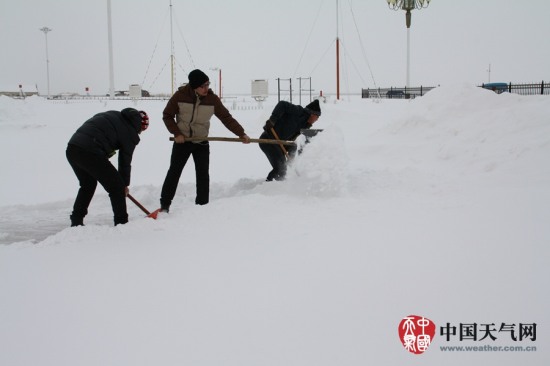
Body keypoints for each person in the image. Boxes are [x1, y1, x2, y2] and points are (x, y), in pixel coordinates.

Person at [159, 69, 250, 212]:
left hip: (201, 141)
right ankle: (164, 205)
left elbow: (226, 118)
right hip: (183, 141)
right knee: (174, 172)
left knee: (203, 174)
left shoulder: (212, 100)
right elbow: (167, 115)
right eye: (203, 86)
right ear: (194, 86)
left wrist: (241, 133)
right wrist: (177, 133)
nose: (206, 88)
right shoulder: (180, 96)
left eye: (208, 84)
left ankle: (202, 207)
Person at [66, 108, 149, 226]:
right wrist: (124, 184)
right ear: (140, 126)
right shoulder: (130, 132)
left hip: (73, 148)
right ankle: (122, 223)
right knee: (117, 188)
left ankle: (76, 220)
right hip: (90, 151)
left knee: (87, 184)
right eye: (142, 130)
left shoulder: (113, 114)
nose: (140, 132)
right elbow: (125, 161)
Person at [259, 99, 321, 181]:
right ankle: (269, 188)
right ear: (312, 114)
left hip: (280, 143)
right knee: (280, 169)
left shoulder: (305, 125)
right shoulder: (298, 111)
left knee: (283, 169)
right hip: (268, 140)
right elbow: (282, 104)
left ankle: (278, 187)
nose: (317, 120)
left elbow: (298, 142)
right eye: (317, 117)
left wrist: (292, 158)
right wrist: (273, 119)